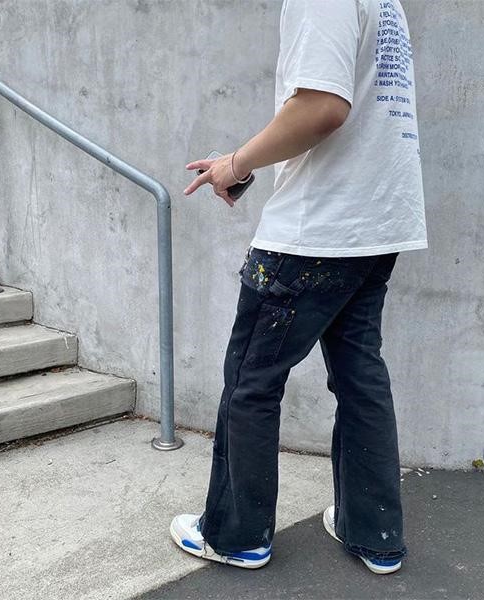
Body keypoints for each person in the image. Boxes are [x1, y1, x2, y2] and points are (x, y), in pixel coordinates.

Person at [168, 0, 427, 575]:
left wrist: (234, 164)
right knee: (361, 378)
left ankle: (236, 537)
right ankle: (374, 532)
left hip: (315, 233)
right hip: (378, 221)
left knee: (251, 383)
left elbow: (321, 108)